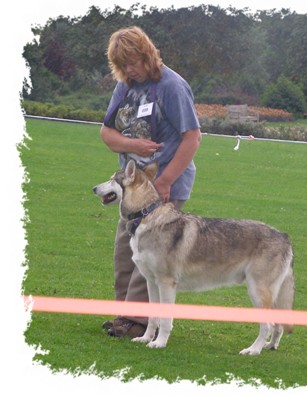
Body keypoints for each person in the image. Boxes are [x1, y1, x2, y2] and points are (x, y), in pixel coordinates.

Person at [100, 26, 201, 337]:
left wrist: (166, 181)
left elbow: (192, 138)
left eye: (135, 62)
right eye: (124, 65)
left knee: (151, 255)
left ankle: (140, 322)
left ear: (148, 55)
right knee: (126, 251)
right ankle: (124, 317)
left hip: (163, 186)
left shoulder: (172, 86)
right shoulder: (125, 86)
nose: (131, 70)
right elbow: (107, 133)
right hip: (132, 189)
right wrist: (134, 146)